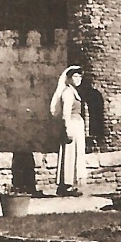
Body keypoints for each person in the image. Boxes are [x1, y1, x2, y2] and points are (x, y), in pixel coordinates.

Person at [49, 65, 88, 197]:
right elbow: (66, 113)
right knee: (69, 154)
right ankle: (65, 185)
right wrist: (68, 130)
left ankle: (68, 184)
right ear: (69, 79)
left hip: (77, 124)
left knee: (75, 154)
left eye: (80, 76)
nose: (78, 79)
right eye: (75, 76)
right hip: (72, 124)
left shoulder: (73, 91)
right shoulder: (67, 92)